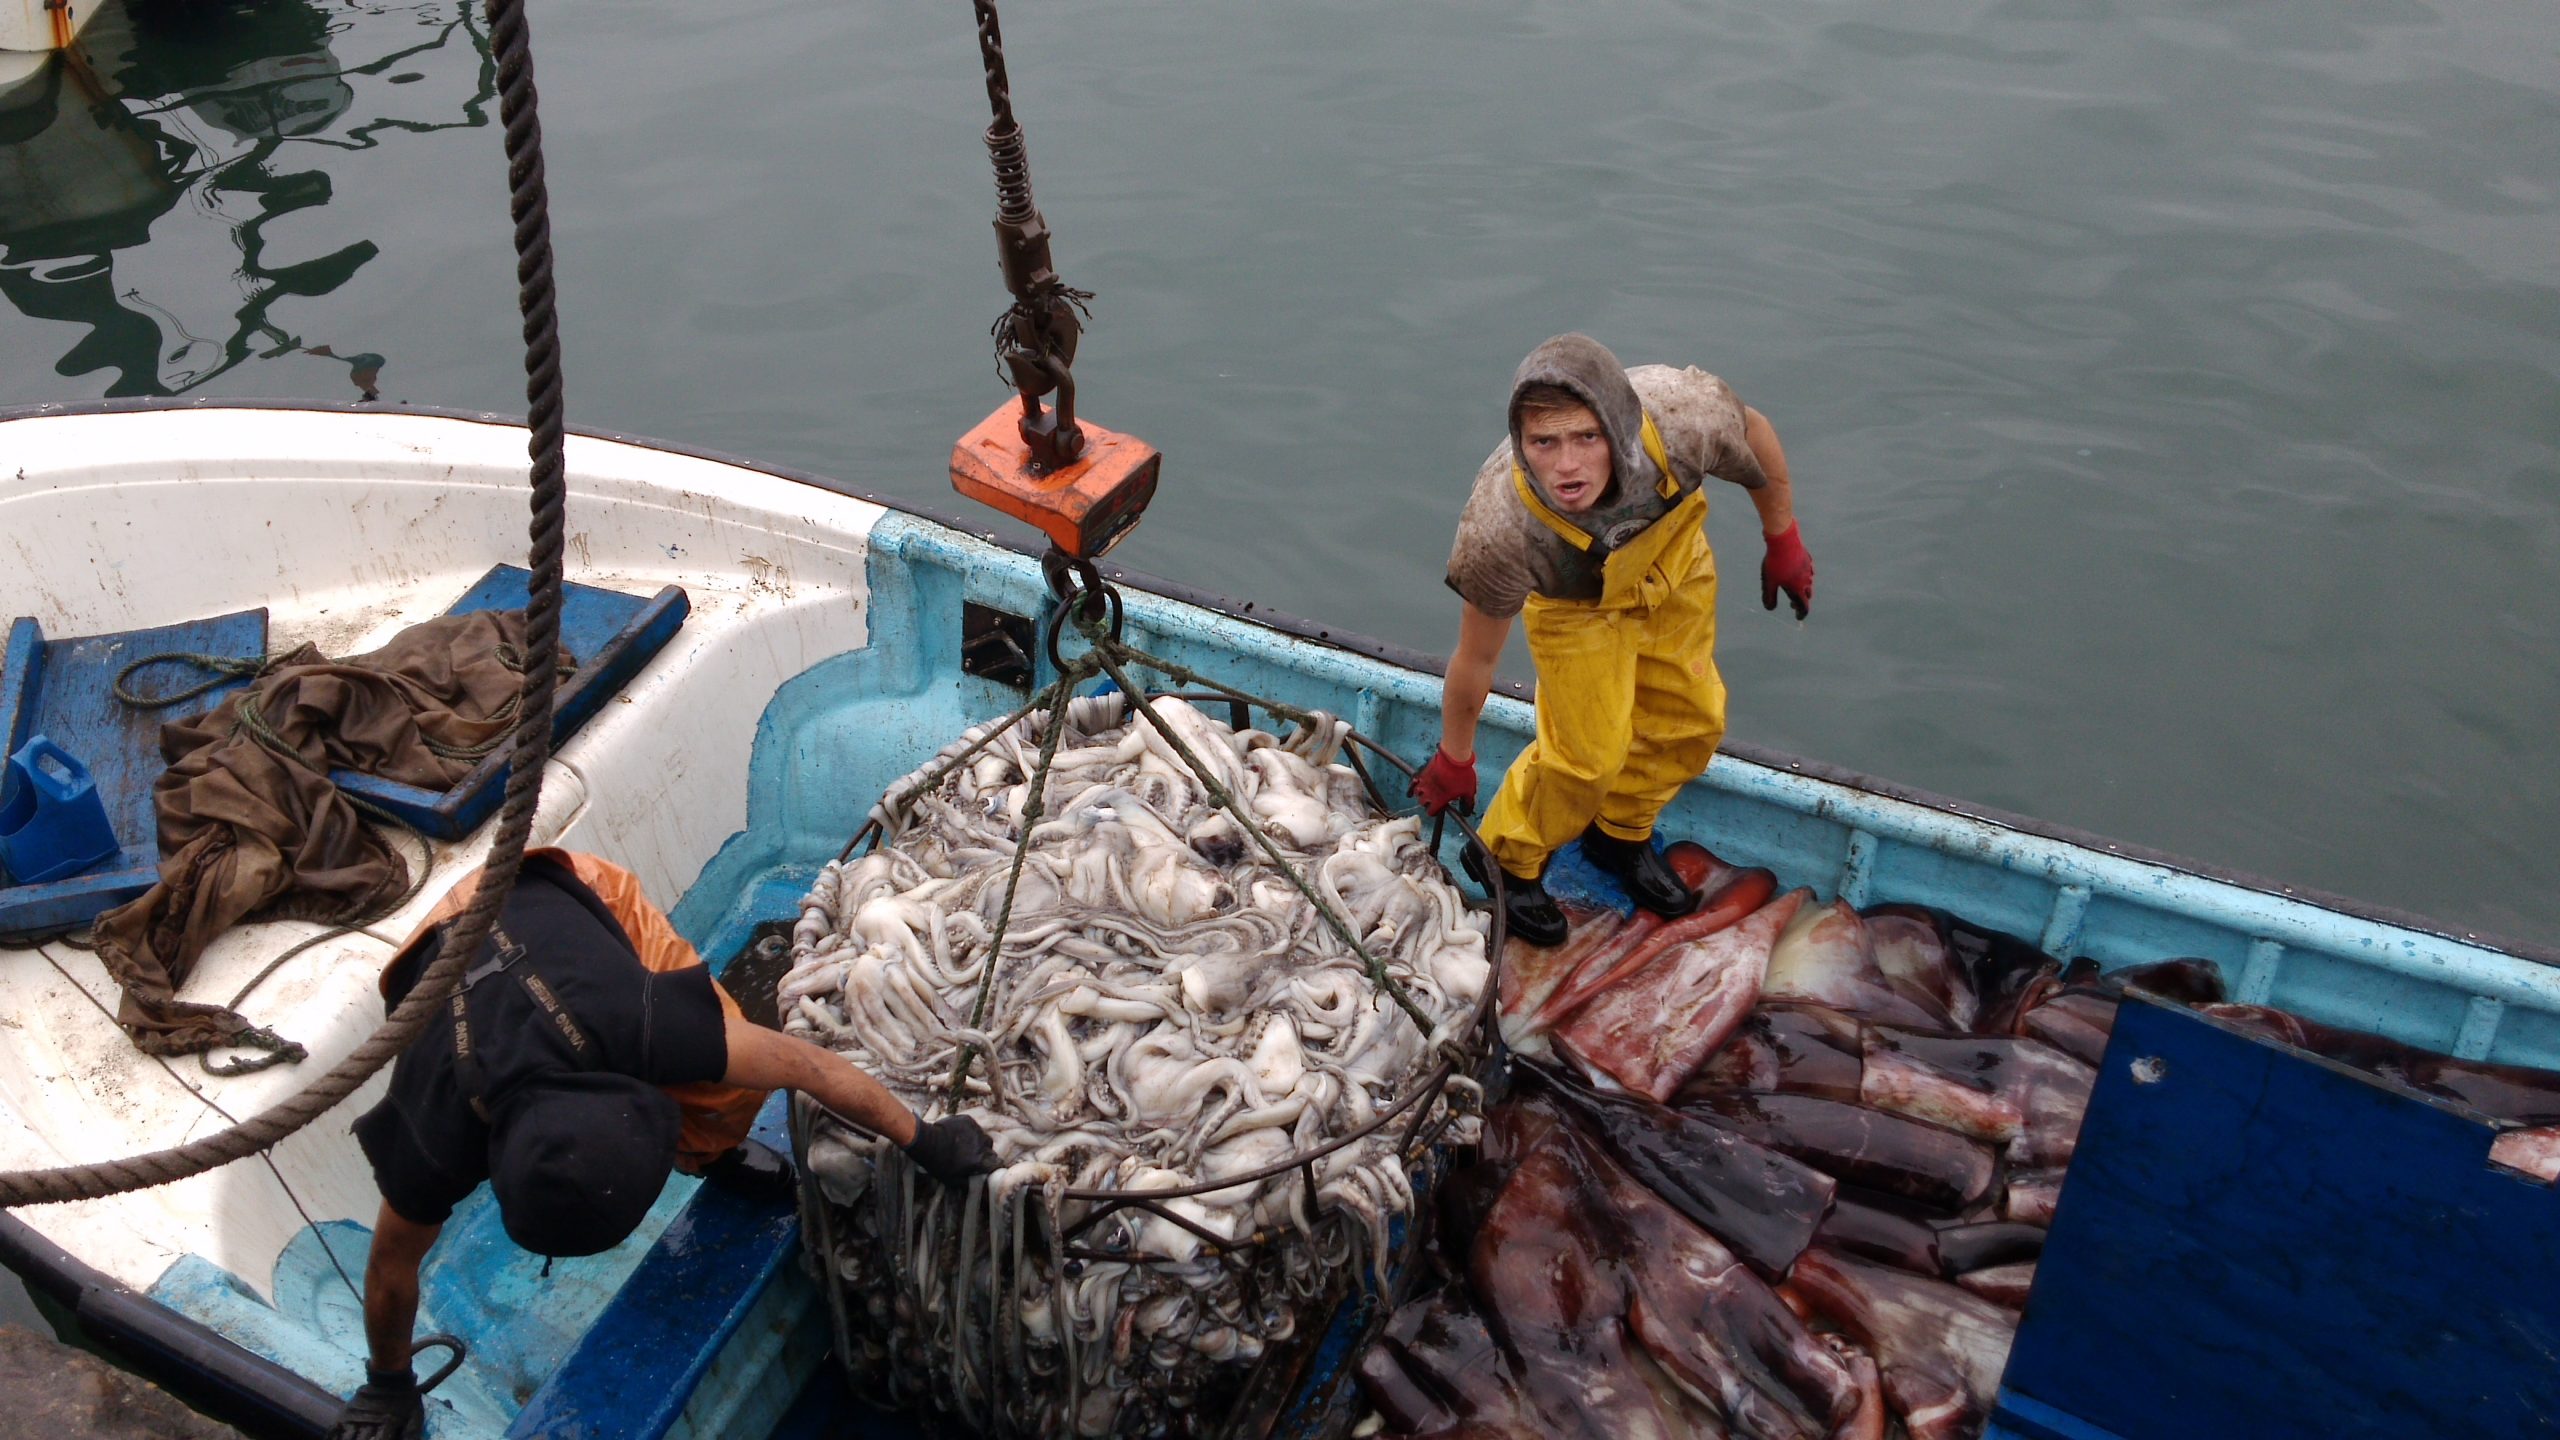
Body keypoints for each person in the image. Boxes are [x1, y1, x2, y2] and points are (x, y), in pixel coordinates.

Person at [325, 849, 993, 1439]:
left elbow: (807, 1066)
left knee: (723, 1093)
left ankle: (718, 1151)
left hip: (548, 885)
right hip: (431, 955)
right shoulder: (434, 1129)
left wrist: (926, 1140)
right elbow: (389, 1268)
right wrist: (387, 1382)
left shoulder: (640, 1020)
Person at [1410, 333, 1814, 945]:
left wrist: (1781, 537)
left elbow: (1754, 431)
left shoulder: (1683, 418)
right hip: (1575, 610)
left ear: (1620, 429)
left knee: (1691, 723)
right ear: (1521, 445)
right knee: (1585, 758)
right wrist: (1455, 756)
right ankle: (1505, 860)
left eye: (1586, 438)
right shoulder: (1501, 529)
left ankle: (1618, 833)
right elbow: (1478, 654)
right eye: (1544, 443)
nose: (1566, 466)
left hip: (1674, 568)